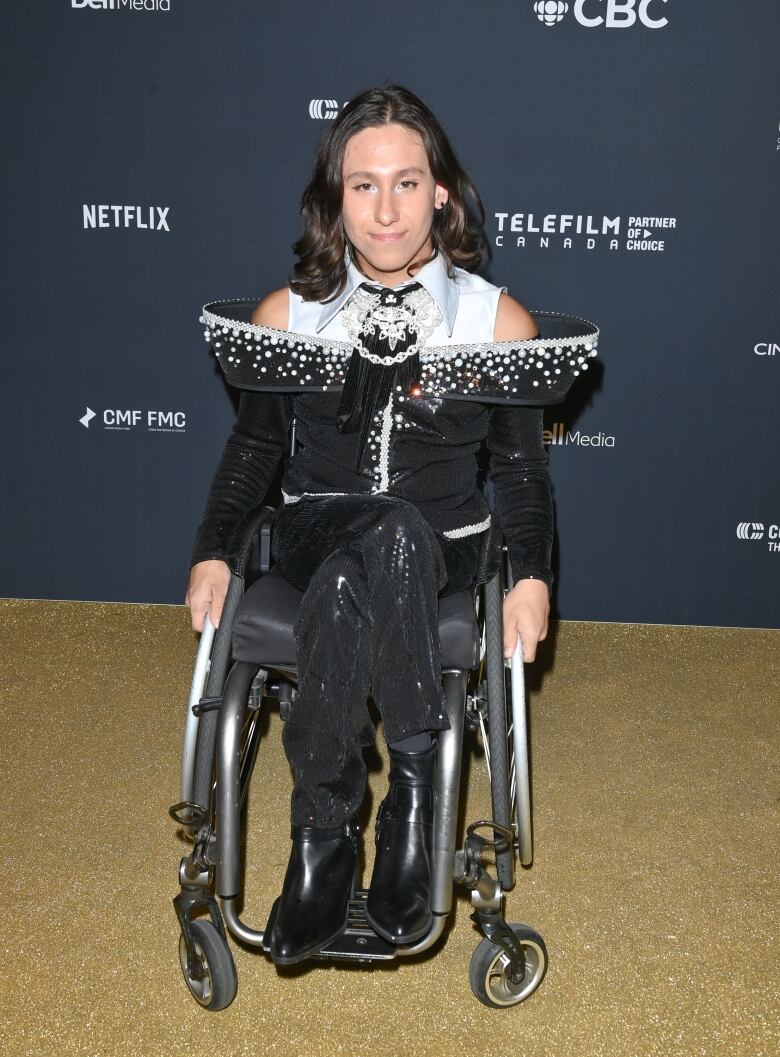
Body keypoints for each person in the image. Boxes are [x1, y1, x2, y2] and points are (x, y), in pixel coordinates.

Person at [186, 84, 559, 965]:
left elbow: (519, 470)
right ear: (334, 198)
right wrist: (212, 551)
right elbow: (252, 456)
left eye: (405, 182)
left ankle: (323, 833)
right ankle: (416, 797)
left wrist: (534, 573)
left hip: (444, 551)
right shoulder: (291, 316)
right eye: (362, 186)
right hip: (315, 526)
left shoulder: (492, 321)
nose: (384, 209)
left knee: (375, 558)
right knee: (376, 531)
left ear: (442, 193)